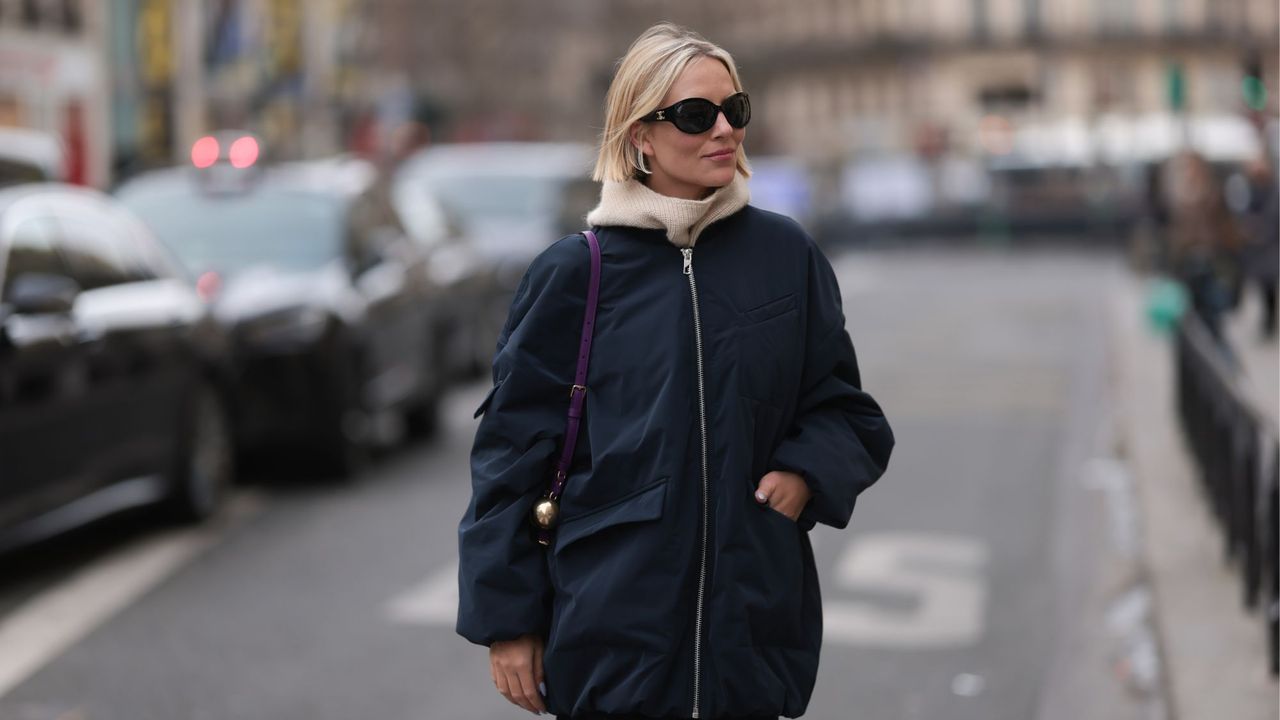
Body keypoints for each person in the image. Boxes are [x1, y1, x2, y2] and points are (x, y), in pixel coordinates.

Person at [457, 23, 894, 720]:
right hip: (611, 633)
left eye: (735, 110)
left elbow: (845, 409)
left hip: (751, 629)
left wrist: (806, 471)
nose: (724, 129)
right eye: (697, 115)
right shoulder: (577, 274)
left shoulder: (786, 256)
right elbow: (511, 453)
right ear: (640, 136)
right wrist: (508, 620)